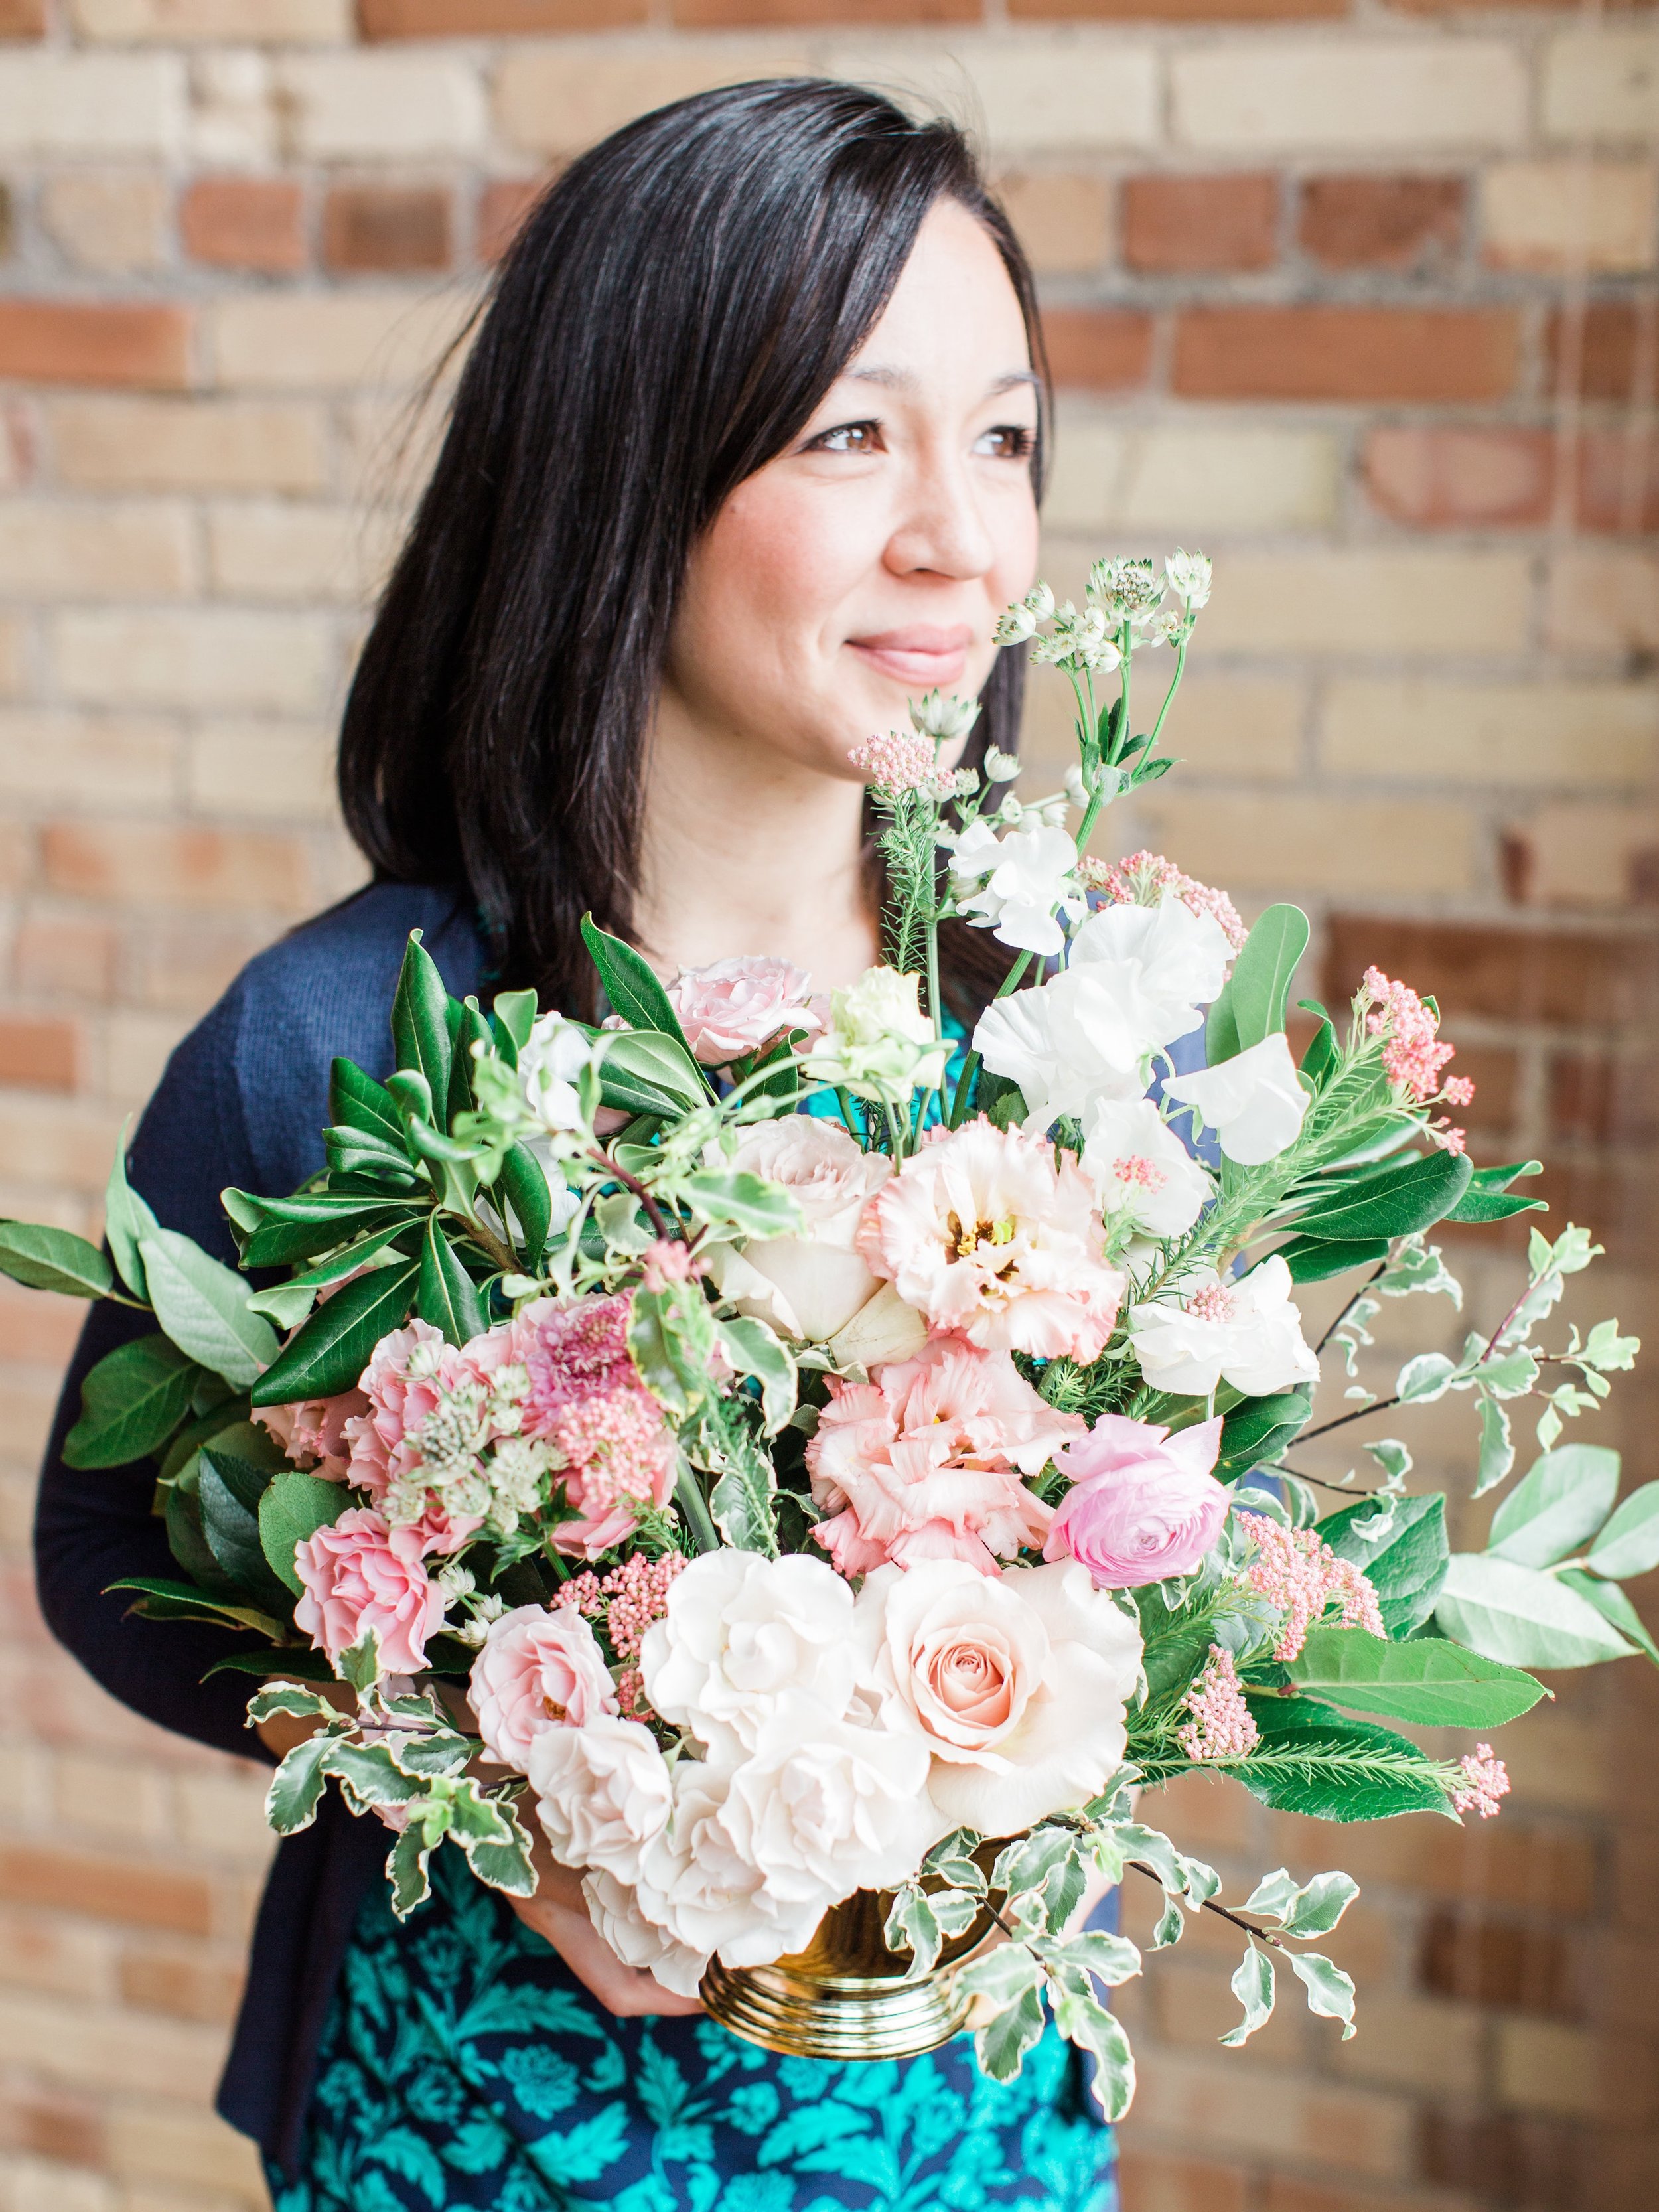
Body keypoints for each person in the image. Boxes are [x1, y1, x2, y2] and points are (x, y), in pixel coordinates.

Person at [35, 79, 1117, 2212]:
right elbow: (112, 1559)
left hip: (964, 2132)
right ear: (629, 473)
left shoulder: (1068, 1032)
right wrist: (491, 1783)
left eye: (999, 437)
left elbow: (1200, 1519)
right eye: (850, 435)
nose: (962, 540)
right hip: (480, 2124)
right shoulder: (341, 1045)